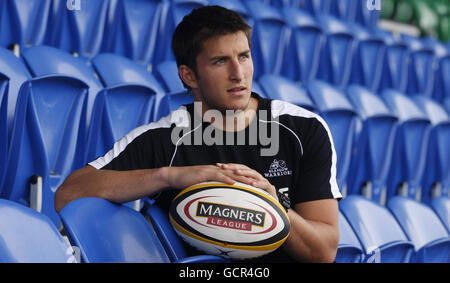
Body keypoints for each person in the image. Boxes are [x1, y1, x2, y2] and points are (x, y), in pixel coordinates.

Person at [55, 5, 342, 263]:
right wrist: (169, 176)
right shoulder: (166, 137)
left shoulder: (302, 128)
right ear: (189, 75)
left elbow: (324, 252)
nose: (238, 73)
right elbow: (68, 194)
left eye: (244, 57)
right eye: (220, 61)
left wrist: (274, 207)